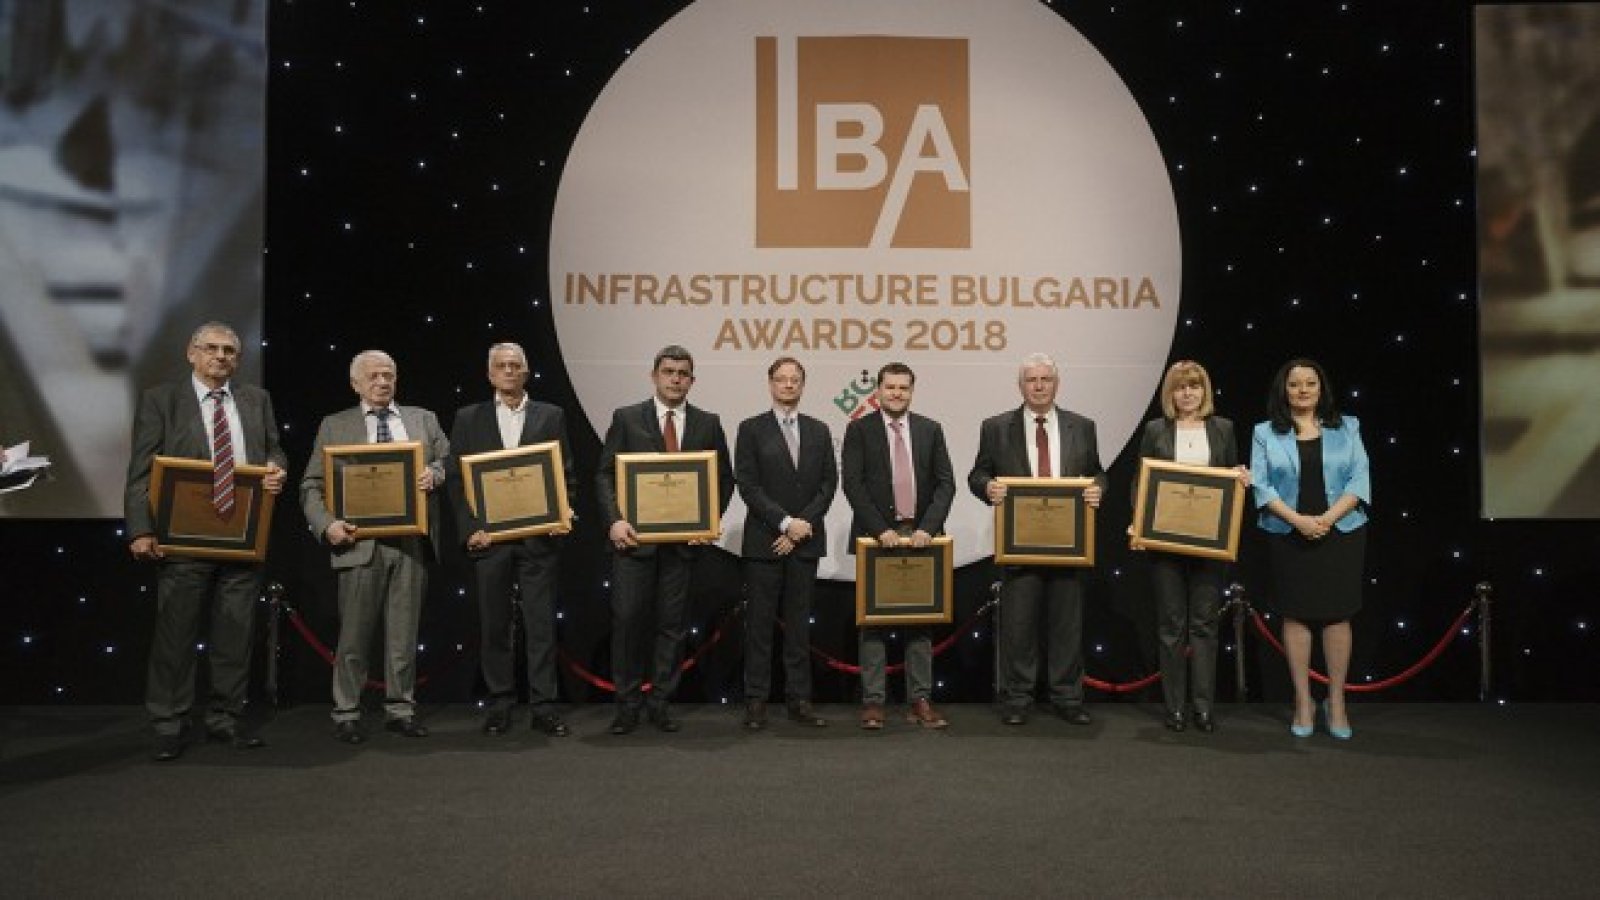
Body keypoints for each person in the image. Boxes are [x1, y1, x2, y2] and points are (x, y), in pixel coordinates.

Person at [124, 322, 287, 762]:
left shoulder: (256, 399)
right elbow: (141, 469)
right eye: (211, 348)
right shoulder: (162, 400)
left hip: (242, 536)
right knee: (175, 636)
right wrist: (140, 529)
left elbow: (275, 450)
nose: (221, 357)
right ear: (191, 353)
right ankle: (168, 724)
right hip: (182, 537)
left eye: (229, 351)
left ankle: (224, 718)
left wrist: (277, 469)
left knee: (235, 634)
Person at [300, 350, 449, 744]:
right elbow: (311, 485)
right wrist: (327, 525)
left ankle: (400, 710)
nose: (383, 382)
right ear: (355, 384)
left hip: (411, 543)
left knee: (404, 635)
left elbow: (450, 461)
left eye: (389, 375)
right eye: (374, 376)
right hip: (358, 543)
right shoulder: (334, 425)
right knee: (353, 636)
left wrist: (435, 473)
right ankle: (347, 712)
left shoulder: (423, 419)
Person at [595, 345, 734, 735]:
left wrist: (707, 520)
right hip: (633, 543)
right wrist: (614, 521)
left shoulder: (708, 423)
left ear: (692, 380)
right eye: (669, 371)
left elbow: (724, 478)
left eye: (683, 373)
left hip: (682, 547)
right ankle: (627, 705)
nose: (675, 378)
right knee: (628, 623)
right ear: (654, 376)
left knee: (672, 627)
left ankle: (660, 703)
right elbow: (604, 474)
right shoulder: (626, 418)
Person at [445, 343, 577, 738]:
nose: (508, 371)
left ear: (526, 372)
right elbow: (456, 479)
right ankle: (500, 704)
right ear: (490, 374)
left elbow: (565, 473)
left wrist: (562, 513)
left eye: (515, 365)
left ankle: (544, 706)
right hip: (491, 541)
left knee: (541, 626)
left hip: (539, 539)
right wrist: (470, 529)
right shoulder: (468, 418)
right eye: (501, 366)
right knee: (495, 625)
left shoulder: (550, 415)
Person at [968, 352, 1105, 726]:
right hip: (1020, 543)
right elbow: (977, 474)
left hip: (1068, 544)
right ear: (1021, 385)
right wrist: (988, 487)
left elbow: (1097, 473)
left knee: (1066, 625)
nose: (1039, 386)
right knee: (1019, 626)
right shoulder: (995, 427)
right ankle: (1018, 698)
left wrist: (1098, 489)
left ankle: (1067, 697)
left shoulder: (1083, 426)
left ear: (1056, 384)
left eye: (1046, 379)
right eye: (1032, 380)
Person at [1250, 358, 1371, 740]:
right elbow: (1261, 486)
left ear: (1322, 389)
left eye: (1310, 383)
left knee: (1338, 616)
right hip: (1287, 532)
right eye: (1294, 384)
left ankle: (1336, 702)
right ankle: (1303, 701)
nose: (1302, 390)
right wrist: (1299, 520)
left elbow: (1359, 479)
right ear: (1283, 391)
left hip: (1342, 532)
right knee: (1296, 615)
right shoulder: (1264, 432)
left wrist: (1327, 519)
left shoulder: (1348, 426)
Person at [1131, 360, 1248, 734]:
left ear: (1204, 390)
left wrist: (1241, 477)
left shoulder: (1224, 428)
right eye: (1180, 387)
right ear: (1171, 392)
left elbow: (1231, 477)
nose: (1187, 393)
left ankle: (1203, 708)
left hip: (1208, 544)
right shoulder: (1155, 429)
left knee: (1204, 625)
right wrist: (1138, 522)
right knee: (1171, 626)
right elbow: (1141, 480)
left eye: (1194, 386)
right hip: (1164, 542)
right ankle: (1175, 708)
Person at [841, 362, 956, 729]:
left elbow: (946, 484)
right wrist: (879, 529)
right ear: (877, 391)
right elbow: (852, 484)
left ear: (912, 391)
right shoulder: (859, 430)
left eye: (903, 388)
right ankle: (874, 702)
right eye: (890, 387)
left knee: (920, 622)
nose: (896, 393)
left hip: (921, 537)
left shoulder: (930, 429)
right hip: (876, 539)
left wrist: (927, 529)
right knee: (872, 623)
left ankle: (920, 700)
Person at [733, 357, 836, 730]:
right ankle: (756, 701)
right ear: (770, 384)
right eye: (782, 379)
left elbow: (828, 484)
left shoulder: (820, 430)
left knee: (799, 628)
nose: (788, 385)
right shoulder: (750, 429)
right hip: (765, 543)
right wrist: (785, 523)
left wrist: (802, 525)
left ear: (803, 385)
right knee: (759, 627)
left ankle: (799, 700)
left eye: (795, 380)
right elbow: (748, 485)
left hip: (805, 543)